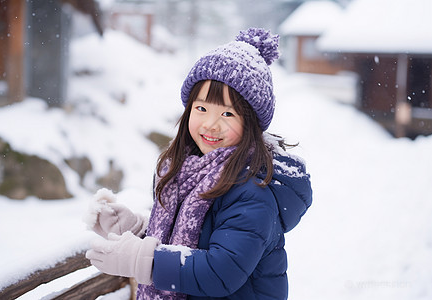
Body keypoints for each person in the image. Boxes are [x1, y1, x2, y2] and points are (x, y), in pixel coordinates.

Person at [84, 27, 312, 299]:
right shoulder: (188, 172)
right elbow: (191, 239)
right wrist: (135, 229)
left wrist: (141, 259)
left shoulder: (252, 192)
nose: (210, 124)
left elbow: (219, 272)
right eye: (201, 108)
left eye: (228, 113)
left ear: (250, 123)